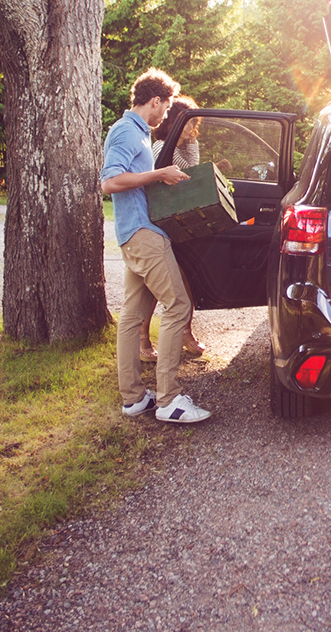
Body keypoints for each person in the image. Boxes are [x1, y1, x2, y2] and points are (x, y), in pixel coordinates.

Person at [100, 68, 211, 424]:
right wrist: (159, 174)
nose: (165, 116)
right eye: (165, 108)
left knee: (132, 318)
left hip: (135, 232)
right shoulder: (126, 132)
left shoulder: (138, 133)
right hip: (143, 236)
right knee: (178, 304)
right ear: (155, 101)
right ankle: (169, 401)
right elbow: (110, 182)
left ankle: (134, 398)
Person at [139, 95, 207, 362]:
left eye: (195, 123)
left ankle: (185, 332)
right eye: (188, 123)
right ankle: (143, 339)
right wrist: (182, 139)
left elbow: (194, 168)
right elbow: (187, 174)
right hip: (160, 223)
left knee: (184, 278)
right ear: (175, 123)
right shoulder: (160, 148)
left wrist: (189, 139)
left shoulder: (184, 146)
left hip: (180, 222)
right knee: (156, 286)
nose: (193, 128)